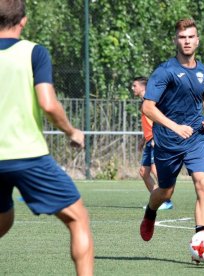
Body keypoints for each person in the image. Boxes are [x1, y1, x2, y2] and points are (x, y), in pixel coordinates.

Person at [0, 1, 94, 275]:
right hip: (27, 156)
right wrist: (71, 131)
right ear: (24, 21)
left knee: (3, 220)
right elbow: (49, 103)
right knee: (78, 220)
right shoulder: (34, 53)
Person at [139, 18, 204, 243]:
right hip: (169, 140)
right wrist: (174, 127)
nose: (187, 41)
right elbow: (147, 107)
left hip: (196, 138)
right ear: (176, 41)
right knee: (165, 192)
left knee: (203, 182)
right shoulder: (164, 72)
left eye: (191, 37)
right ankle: (150, 213)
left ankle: (201, 241)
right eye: (182, 37)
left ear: (198, 41)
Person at [132, 76, 173, 210]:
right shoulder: (143, 103)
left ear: (143, 87)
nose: (133, 88)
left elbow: (157, 120)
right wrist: (143, 140)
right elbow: (148, 123)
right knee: (144, 172)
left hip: (156, 139)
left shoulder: (151, 102)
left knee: (155, 169)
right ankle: (158, 200)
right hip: (150, 140)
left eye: (135, 86)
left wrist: (156, 137)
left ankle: (166, 200)